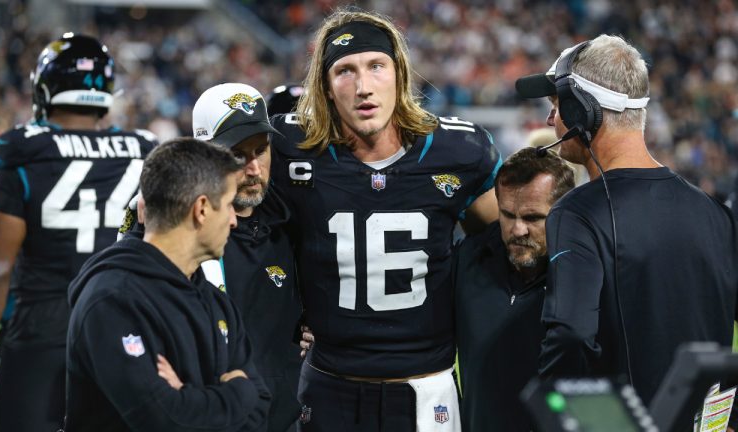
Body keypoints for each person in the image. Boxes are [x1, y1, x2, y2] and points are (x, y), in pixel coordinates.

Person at [269, 8, 501, 431]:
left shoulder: (460, 151)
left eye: (376, 66)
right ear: (324, 87)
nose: (362, 87)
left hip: (424, 386)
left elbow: (503, 248)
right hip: (327, 382)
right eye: (344, 71)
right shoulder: (289, 148)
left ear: (399, 73)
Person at [515, 34, 738, 406]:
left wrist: (554, 408)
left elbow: (571, 335)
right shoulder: (714, 211)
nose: (551, 118)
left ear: (582, 110)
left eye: (555, 104)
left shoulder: (578, 212)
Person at [0, 33, 156, 432]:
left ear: (45, 88)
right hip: (121, 338)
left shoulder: (24, 150)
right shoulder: (144, 150)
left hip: (40, 336)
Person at [65, 137, 271, 431]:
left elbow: (260, 407)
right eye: (227, 205)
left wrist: (189, 399)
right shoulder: (112, 300)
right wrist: (237, 392)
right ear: (201, 209)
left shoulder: (215, 301)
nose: (234, 221)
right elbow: (164, 421)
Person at [192, 83, 303, 432]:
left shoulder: (292, 221)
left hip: (287, 419)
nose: (254, 169)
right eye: (238, 155)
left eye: (262, 149)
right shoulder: (180, 237)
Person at [454, 147, 574, 432]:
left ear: (564, 212)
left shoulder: (583, 278)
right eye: (508, 215)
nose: (518, 230)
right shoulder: (469, 259)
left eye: (533, 218)